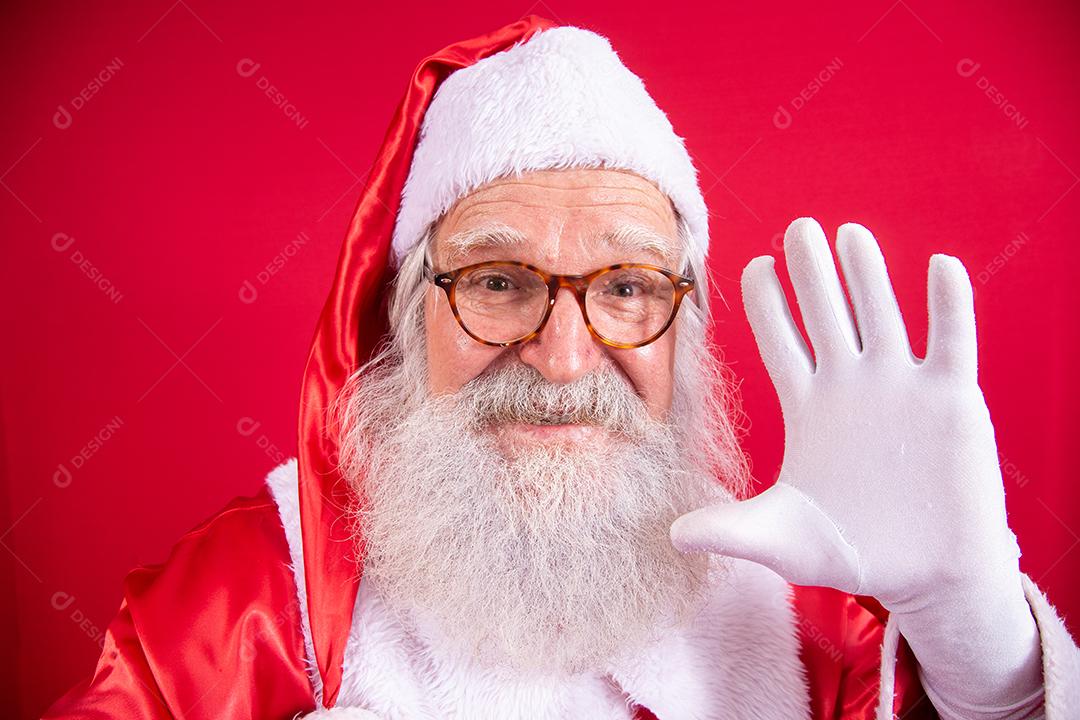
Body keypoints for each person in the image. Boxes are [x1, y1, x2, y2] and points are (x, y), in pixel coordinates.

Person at [43, 16, 1079, 720]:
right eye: (498, 282)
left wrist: (984, 656)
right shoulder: (256, 594)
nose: (564, 352)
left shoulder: (807, 604)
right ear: (403, 318)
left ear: (686, 328)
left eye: (627, 287)